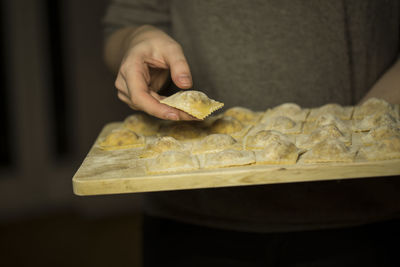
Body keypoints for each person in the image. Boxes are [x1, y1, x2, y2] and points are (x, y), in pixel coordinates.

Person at [103, 1, 400, 266]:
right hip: (191, 221)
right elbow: (124, 24)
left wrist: (370, 117)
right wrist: (136, 40)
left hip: (365, 217)